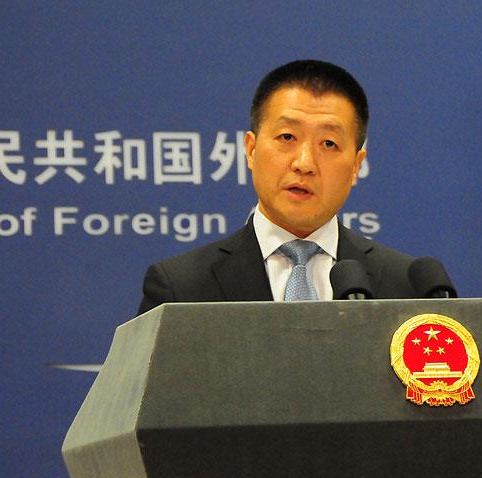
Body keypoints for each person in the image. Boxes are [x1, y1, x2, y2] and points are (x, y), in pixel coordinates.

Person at [138, 60, 441, 315]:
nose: (304, 163)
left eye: (329, 143)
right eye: (287, 137)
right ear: (251, 150)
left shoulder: (409, 289)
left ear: (356, 166)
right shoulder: (181, 290)